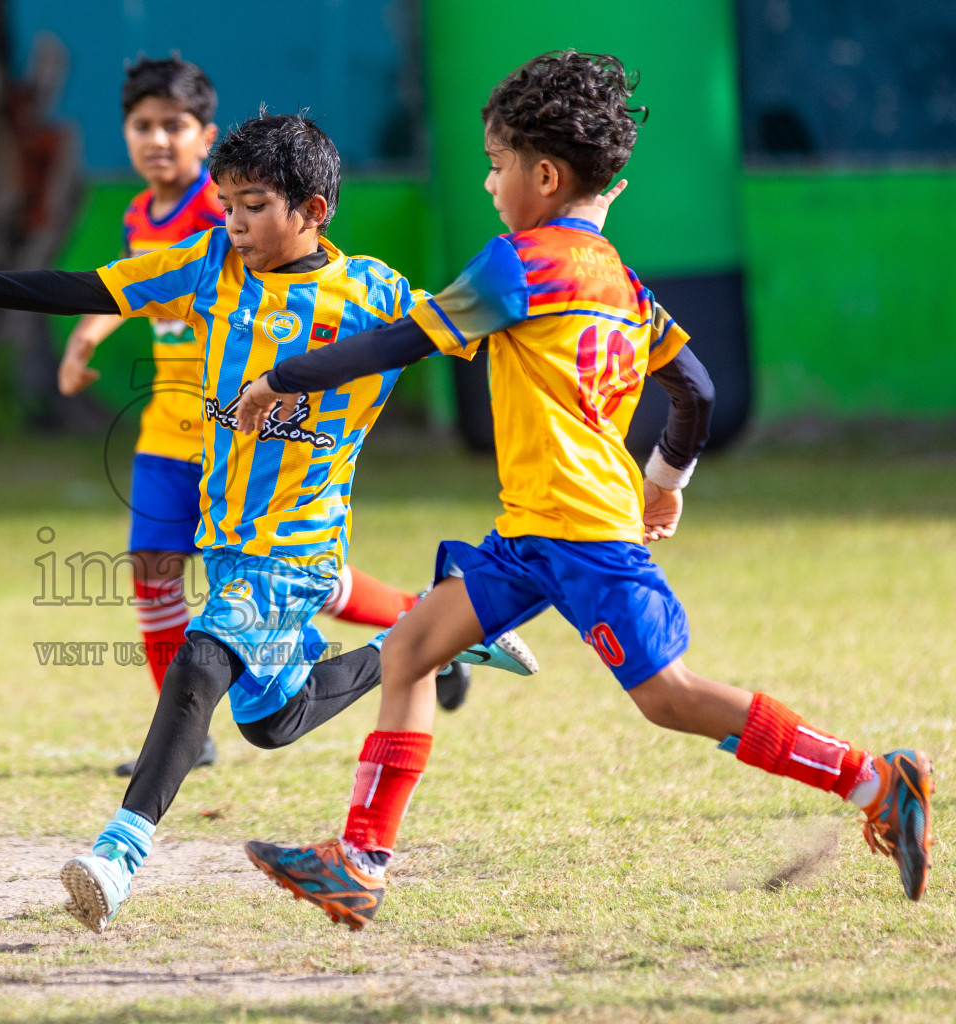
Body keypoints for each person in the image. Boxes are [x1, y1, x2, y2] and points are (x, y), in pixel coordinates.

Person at [234, 51, 934, 929]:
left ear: (545, 174)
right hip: (532, 536)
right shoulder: (627, 287)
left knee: (671, 697)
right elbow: (698, 390)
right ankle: (362, 862)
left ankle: (874, 779)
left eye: (495, 165)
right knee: (411, 648)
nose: (489, 184)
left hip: (585, 539)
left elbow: (401, 342)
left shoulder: (515, 265)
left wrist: (282, 378)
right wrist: (667, 480)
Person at [0, 111, 542, 933]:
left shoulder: (374, 294)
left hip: (294, 548)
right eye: (227, 203)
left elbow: (487, 338)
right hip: (229, 547)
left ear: (314, 209)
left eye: (253, 205)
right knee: (272, 722)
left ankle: (118, 856)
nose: (234, 222)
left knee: (200, 664)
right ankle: (442, 633)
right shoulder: (212, 262)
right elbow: (96, 287)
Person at [58, 59, 476, 779]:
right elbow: (125, 289)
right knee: (156, 570)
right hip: (171, 423)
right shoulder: (140, 216)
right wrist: (87, 334)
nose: (157, 140)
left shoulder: (217, 215)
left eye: (174, 126)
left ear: (205, 136)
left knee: (284, 572)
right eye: (142, 125)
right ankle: (195, 729)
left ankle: (427, 621)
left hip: (243, 426)